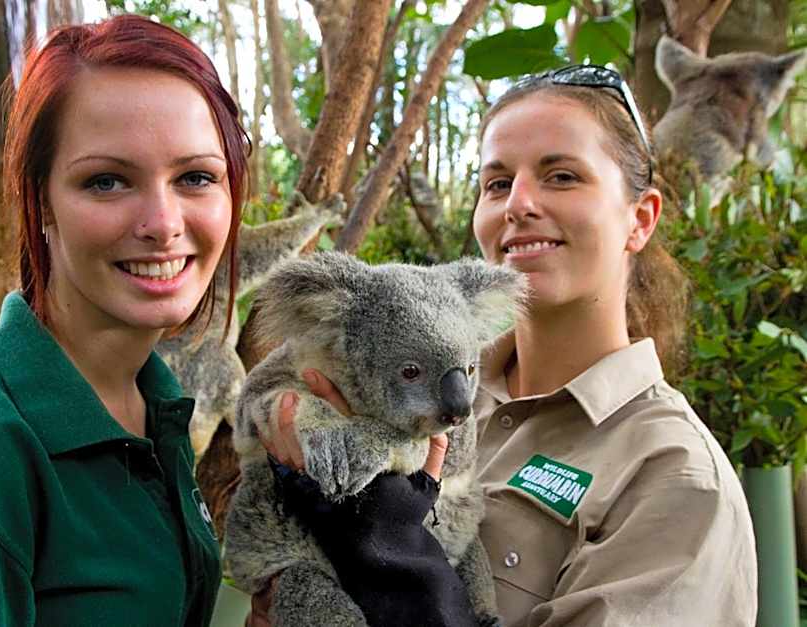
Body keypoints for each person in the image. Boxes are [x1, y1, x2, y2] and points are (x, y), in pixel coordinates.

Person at [251, 65, 757, 626]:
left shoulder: (672, 477)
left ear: (640, 219)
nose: (518, 204)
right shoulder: (404, 382)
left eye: (561, 176)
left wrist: (385, 541)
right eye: (496, 184)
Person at [0, 15, 248, 625]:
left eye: (195, 177)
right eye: (107, 181)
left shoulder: (152, 403)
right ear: (40, 199)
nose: (163, 221)